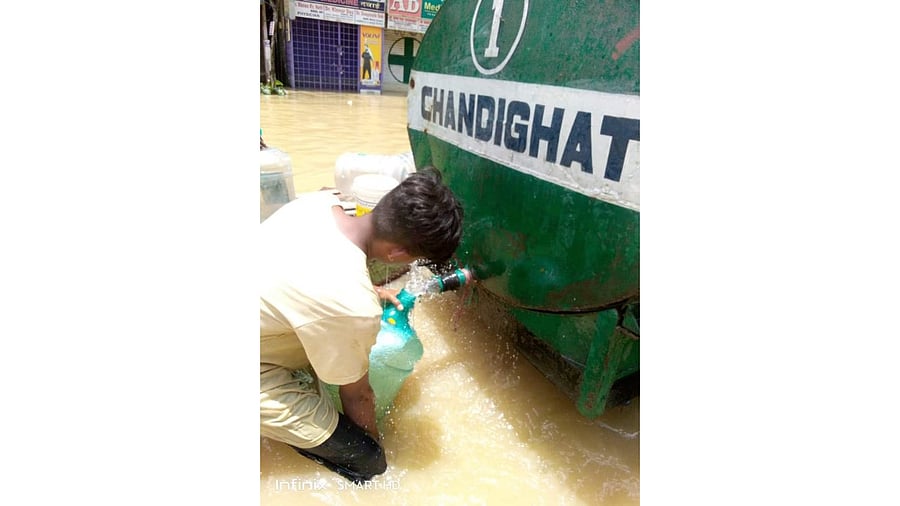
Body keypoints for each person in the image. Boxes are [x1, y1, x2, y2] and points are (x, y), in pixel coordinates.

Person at [259, 168, 464, 483]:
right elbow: (358, 396)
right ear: (397, 252)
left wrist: (371, 288)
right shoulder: (353, 307)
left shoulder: (316, 205)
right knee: (369, 463)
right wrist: (375, 444)